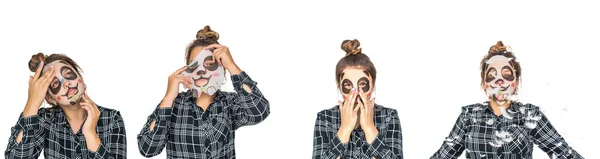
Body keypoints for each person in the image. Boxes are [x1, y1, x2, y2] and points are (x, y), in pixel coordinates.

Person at [430, 41, 583, 159]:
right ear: (484, 83)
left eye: (506, 74)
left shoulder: (529, 115)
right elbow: (444, 155)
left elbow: (564, 153)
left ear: (515, 82)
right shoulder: (469, 116)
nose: (499, 81)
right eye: (492, 75)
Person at [137, 25, 270, 159]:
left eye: (209, 63)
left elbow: (260, 112)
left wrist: (231, 65)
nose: (201, 71)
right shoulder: (174, 105)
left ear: (222, 69)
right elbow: (147, 149)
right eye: (194, 64)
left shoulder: (229, 103)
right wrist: (168, 97)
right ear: (186, 68)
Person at [5, 53, 127, 159]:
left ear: (80, 77)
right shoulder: (45, 119)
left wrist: (90, 134)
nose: (67, 83)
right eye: (56, 83)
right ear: (50, 98)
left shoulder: (112, 119)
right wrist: (32, 103)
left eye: (68, 74)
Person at [312, 39, 403, 159]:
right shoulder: (325, 118)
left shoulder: (389, 116)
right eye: (348, 85)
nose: (356, 93)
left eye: (362, 85)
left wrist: (369, 128)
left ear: (373, 84)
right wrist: (344, 129)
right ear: (339, 87)